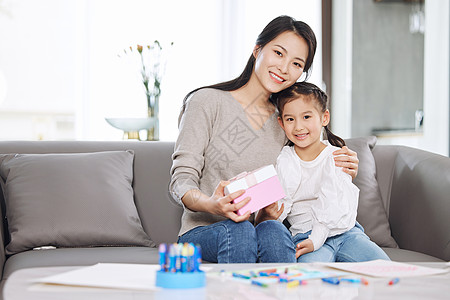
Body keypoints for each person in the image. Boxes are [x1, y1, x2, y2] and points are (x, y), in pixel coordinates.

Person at [169, 15, 359, 263]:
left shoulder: (287, 121)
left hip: (256, 229)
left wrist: (343, 163)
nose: (284, 68)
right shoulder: (206, 102)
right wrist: (212, 203)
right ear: (257, 49)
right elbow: (181, 180)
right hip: (204, 231)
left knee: (272, 230)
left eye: (296, 64)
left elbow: (310, 166)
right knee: (240, 230)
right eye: (278, 53)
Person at [275, 81, 390, 262]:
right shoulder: (285, 159)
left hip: (346, 234)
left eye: (306, 117)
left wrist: (317, 238)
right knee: (310, 281)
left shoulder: (337, 154)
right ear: (281, 122)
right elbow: (282, 202)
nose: (298, 127)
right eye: (290, 119)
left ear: (324, 117)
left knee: (384, 268)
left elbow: (333, 199)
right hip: (305, 237)